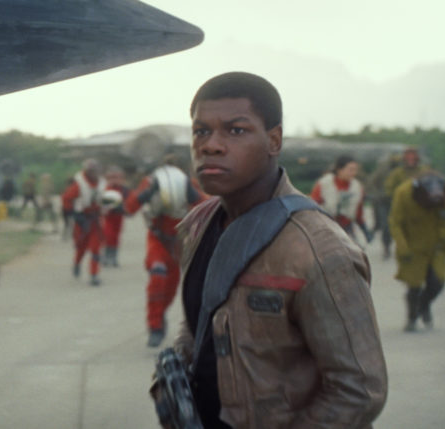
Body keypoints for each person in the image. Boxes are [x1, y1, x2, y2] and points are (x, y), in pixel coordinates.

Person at [151, 72, 386, 428]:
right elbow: (202, 318)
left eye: (236, 130)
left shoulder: (318, 249)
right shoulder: (199, 225)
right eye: (201, 131)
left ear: (274, 140)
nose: (211, 145)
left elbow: (358, 390)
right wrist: (178, 370)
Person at [123, 155, 204, 347]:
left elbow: (208, 208)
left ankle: (161, 315)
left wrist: (192, 194)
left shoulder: (189, 184)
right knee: (157, 276)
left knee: (172, 288)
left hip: (181, 242)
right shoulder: (150, 183)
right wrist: (147, 193)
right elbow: (129, 208)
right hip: (158, 239)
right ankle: (155, 326)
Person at [389, 171, 445, 332]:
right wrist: (402, 246)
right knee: (414, 285)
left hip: (438, 248)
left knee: (438, 282)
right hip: (413, 248)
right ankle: (411, 318)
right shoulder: (403, 193)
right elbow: (395, 223)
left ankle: (424, 304)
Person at [61, 159, 107, 286]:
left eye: (96, 170)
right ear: (86, 171)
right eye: (91, 171)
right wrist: (73, 214)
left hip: (95, 221)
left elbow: (109, 198)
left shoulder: (102, 183)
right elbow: (66, 199)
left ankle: (94, 274)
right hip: (82, 220)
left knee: (96, 248)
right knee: (81, 247)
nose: (94, 173)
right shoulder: (79, 184)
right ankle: (77, 263)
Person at [310, 155, 370, 241]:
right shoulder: (324, 184)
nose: (354, 173)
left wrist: (364, 229)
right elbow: (312, 206)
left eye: (355, 170)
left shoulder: (357, 187)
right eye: (351, 170)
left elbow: (358, 210)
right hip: (326, 227)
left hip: (347, 227)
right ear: (339, 170)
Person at [365, 154, 400, 259]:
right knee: (386, 226)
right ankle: (386, 247)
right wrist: (378, 194)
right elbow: (371, 183)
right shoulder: (382, 171)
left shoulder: (402, 171)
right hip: (384, 201)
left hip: (398, 202)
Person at [102, 166, 129, 267]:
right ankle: (106, 257)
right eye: (112, 177)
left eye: (117, 177)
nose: (115, 180)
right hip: (109, 217)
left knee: (116, 238)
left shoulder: (123, 190)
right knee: (108, 236)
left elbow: (129, 202)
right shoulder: (106, 189)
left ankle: (113, 258)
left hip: (118, 217)